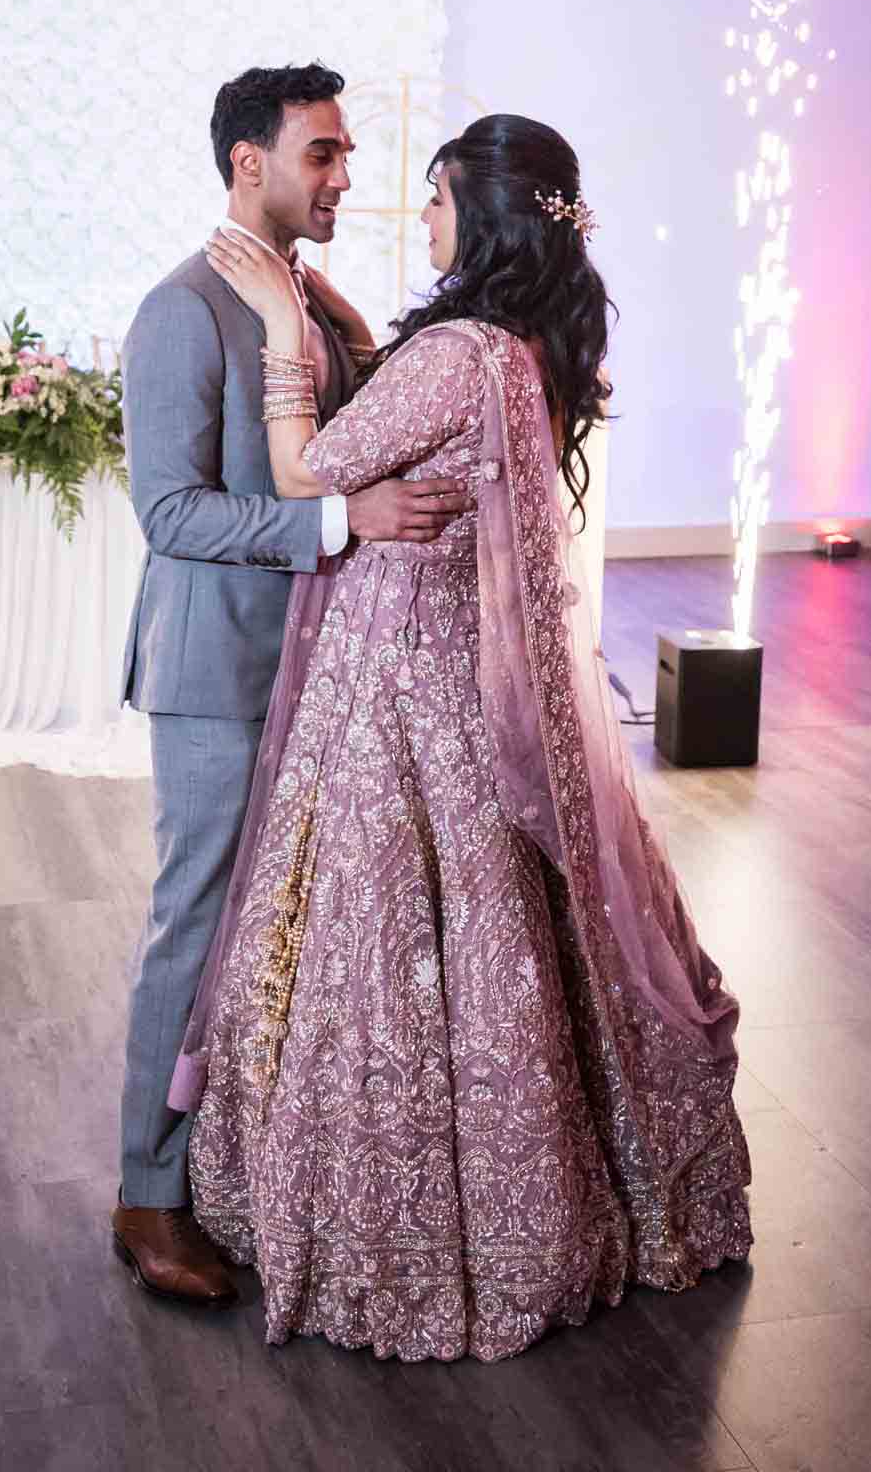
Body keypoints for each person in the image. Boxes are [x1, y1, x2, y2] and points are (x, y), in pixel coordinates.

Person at [181, 113, 752, 1362]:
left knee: (395, 945)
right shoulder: (529, 346)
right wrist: (341, 318)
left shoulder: (456, 353)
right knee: (498, 936)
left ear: (482, 216)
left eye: (437, 200)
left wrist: (286, 335)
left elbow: (307, 470)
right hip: (460, 682)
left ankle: (414, 1241)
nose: (422, 219)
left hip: (401, 689)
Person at [113, 64, 474, 1305]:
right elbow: (169, 510)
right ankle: (145, 1196)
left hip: (323, 665)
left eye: (348, 153)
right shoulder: (182, 309)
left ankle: (238, 1176)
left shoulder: (317, 304)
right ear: (246, 162)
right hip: (218, 665)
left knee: (284, 937)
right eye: (321, 152)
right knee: (197, 923)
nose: (343, 176)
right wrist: (339, 523)